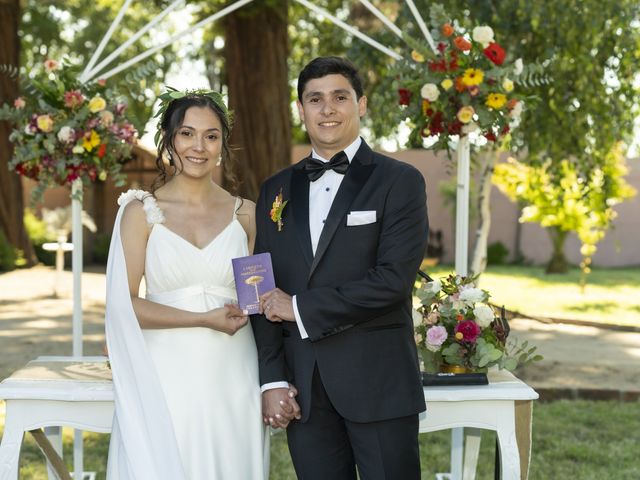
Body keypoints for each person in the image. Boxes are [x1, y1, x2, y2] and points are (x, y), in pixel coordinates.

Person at [251, 56, 429, 479]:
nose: (327, 109)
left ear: (361, 105)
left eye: (339, 97)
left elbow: (393, 280)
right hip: (305, 391)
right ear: (301, 110)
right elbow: (260, 284)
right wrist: (272, 379)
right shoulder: (275, 188)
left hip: (379, 382)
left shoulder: (399, 181)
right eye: (315, 99)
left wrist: (298, 308)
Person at [104, 90, 269, 479]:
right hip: (164, 372)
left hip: (234, 370)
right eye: (187, 134)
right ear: (169, 138)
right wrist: (201, 319)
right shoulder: (140, 212)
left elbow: (257, 298)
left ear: (223, 145)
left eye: (211, 136)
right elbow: (124, 304)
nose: (199, 147)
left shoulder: (245, 214)